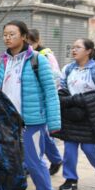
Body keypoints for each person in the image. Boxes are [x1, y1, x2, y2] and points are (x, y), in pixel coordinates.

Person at [0, 21, 60, 190]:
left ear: (23, 36)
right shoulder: (2, 61)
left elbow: (50, 91)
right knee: (5, 160)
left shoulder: (38, 60)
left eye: (12, 34)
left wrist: (54, 122)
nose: (7, 37)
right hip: (7, 120)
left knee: (33, 161)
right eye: (5, 34)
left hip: (33, 122)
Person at [54, 38, 95, 190]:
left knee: (90, 148)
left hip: (90, 115)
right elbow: (61, 89)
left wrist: (85, 101)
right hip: (71, 115)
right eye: (73, 47)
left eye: (78, 47)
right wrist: (68, 101)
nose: (74, 50)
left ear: (88, 51)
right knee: (69, 148)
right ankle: (70, 179)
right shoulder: (68, 69)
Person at [27, 28, 63, 175]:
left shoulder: (44, 55)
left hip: (42, 102)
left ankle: (53, 159)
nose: (28, 46)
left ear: (37, 41)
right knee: (37, 135)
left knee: (43, 135)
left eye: (31, 43)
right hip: (29, 102)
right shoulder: (23, 56)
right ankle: (35, 162)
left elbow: (55, 79)